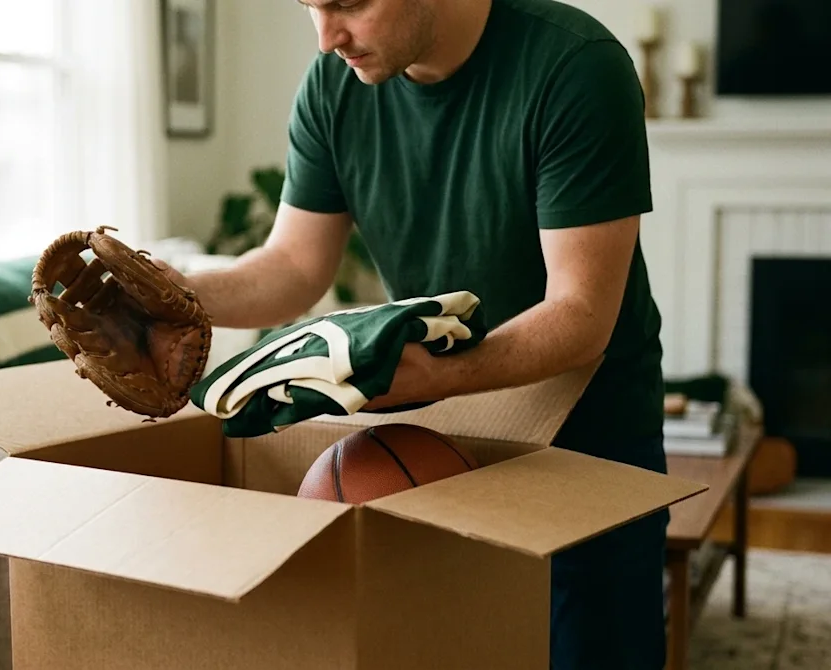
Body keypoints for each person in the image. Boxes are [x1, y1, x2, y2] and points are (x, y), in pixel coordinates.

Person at [154, 0, 667, 667]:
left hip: (590, 437)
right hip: (447, 433)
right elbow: (293, 267)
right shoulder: (334, 85)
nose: (326, 37)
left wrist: (440, 375)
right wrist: (173, 294)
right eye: (309, 7)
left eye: (347, 4)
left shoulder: (576, 67)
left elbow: (580, 314)